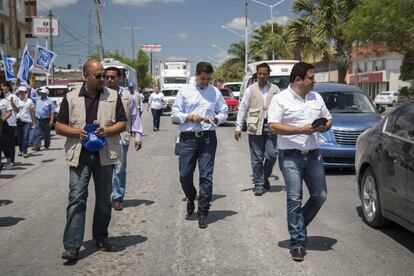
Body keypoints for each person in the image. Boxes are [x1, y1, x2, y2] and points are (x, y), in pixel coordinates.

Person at [56, 59, 127, 261]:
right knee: (77, 198)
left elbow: (123, 123)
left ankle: (101, 237)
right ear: (86, 76)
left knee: (104, 199)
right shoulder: (71, 98)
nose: (103, 79)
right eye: (98, 76)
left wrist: (107, 130)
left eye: (104, 75)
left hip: (105, 154)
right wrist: (78, 132)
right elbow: (59, 127)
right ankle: (72, 245)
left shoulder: (113, 96)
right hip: (80, 154)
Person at [268, 62, 332, 261]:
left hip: (313, 154)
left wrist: (324, 126)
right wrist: (299, 130)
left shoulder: (317, 97)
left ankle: (298, 226)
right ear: (298, 80)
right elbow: (274, 126)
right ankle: (297, 242)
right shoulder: (280, 99)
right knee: (294, 199)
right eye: (311, 78)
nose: (314, 81)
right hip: (290, 157)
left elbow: (328, 118)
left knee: (320, 195)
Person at [171, 61, 228, 229]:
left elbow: (223, 111)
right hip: (188, 138)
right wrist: (189, 117)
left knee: (206, 176)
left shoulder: (215, 92)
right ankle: (191, 196)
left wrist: (216, 118)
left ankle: (203, 212)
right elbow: (174, 114)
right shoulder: (184, 91)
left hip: (208, 138)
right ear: (196, 75)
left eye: (208, 79)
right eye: (202, 78)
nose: (205, 82)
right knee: (184, 175)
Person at [234, 63, 280, 196]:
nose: (261, 76)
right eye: (259, 73)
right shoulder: (250, 89)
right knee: (257, 158)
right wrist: (238, 126)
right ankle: (259, 184)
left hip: (271, 127)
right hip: (255, 127)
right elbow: (243, 108)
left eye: (264, 74)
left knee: (272, 155)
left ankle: (264, 176)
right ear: (257, 74)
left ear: (268, 75)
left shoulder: (275, 89)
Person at [105, 68, 143, 211]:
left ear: (120, 79)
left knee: (120, 168)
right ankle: (105, 196)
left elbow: (134, 115)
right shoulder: (100, 94)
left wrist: (138, 135)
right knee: (106, 168)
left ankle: (117, 197)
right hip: (104, 136)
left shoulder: (127, 95)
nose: (110, 80)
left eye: (113, 77)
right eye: (107, 77)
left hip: (122, 136)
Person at [2, 82, 19, 168]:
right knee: (4, 143)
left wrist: (12, 102)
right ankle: (6, 160)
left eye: (4, 86)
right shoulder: (2, 98)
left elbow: (17, 110)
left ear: (8, 87)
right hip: (2, 124)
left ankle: (12, 161)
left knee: (10, 143)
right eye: (2, 86)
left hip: (11, 122)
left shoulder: (14, 96)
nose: (3, 88)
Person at [16, 86, 35, 158]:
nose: (21, 93)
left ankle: (25, 152)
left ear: (25, 93)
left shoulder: (29, 101)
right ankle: (20, 150)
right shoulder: (16, 100)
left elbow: (32, 112)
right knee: (19, 138)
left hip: (27, 121)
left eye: (22, 92)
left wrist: (33, 121)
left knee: (25, 137)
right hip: (18, 120)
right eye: (20, 91)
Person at [0, 88, 12, 170]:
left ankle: (8, 160)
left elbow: (9, 112)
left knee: (5, 145)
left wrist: (3, 119)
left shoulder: (5, 101)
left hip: (3, 125)